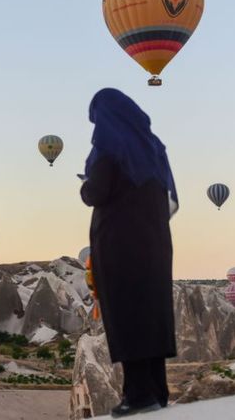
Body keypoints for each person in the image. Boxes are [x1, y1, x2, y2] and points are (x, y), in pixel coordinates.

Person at [79, 88, 178, 418]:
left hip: (120, 246)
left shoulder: (108, 147)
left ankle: (137, 395)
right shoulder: (153, 148)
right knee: (151, 314)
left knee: (127, 315)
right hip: (155, 247)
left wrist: (85, 182)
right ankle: (158, 392)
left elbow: (96, 192)